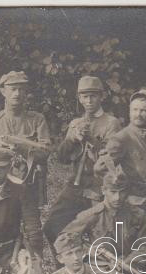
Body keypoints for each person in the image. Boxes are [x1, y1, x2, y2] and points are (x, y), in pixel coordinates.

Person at [44, 75, 123, 245]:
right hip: (76, 185)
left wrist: (91, 139)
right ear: (79, 98)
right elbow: (62, 158)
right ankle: (68, 259)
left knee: (102, 235)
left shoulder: (111, 123)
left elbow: (110, 160)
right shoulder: (76, 123)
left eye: (93, 96)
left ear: (102, 97)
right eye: (85, 96)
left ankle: (92, 259)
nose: (89, 101)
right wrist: (72, 139)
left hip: (99, 186)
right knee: (52, 226)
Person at [0, 71, 52, 205]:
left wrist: (20, 147)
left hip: (29, 186)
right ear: (3, 91)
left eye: (21, 89)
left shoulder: (37, 120)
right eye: (13, 89)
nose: (17, 94)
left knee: (30, 218)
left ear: (26, 92)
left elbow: (45, 152)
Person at [105, 88, 146, 230]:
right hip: (132, 205)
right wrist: (119, 192)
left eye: (143, 110)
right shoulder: (121, 138)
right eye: (134, 110)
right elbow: (101, 169)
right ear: (129, 111)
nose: (138, 114)